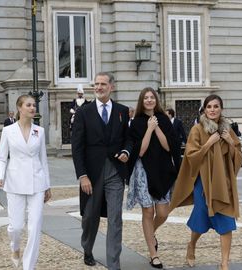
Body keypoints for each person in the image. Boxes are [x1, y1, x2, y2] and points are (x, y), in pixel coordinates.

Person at [170, 94, 242, 270]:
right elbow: (191, 156)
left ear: (221, 109)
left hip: (224, 184)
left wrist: (229, 143)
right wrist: (208, 143)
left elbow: (238, 157)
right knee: (201, 220)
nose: (212, 110)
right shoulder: (197, 129)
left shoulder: (227, 130)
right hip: (203, 184)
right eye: (209, 107)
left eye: (216, 106)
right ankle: (192, 245)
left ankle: (224, 263)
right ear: (204, 109)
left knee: (226, 221)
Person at [71, 72, 133, 270]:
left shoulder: (122, 111)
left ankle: (114, 264)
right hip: (91, 174)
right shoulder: (84, 112)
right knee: (90, 216)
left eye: (103, 84)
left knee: (115, 219)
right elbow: (77, 147)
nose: (98, 87)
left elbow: (129, 139)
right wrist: (82, 176)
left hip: (115, 173)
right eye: (96, 84)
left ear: (111, 87)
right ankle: (87, 248)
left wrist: (126, 151)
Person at [0, 94, 52, 269]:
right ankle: (15, 246)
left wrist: (47, 186)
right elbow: (2, 157)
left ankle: (29, 266)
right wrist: (0, 176)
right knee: (16, 227)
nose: (32, 108)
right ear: (20, 108)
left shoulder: (39, 131)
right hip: (15, 182)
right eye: (29, 105)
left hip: (37, 183)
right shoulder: (8, 131)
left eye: (34, 105)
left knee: (35, 228)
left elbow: (43, 160)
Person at [126, 88, 180, 269]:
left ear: (156, 100)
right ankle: (153, 254)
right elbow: (140, 151)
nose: (149, 100)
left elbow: (168, 147)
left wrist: (156, 127)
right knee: (148, 212)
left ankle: (151, 234)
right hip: (143, 171)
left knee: (163, 213)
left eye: (152, 97)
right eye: (146, 98)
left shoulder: (164, 120)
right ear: (142, 101)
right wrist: (149, 129)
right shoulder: (136, 123)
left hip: (162, 170)